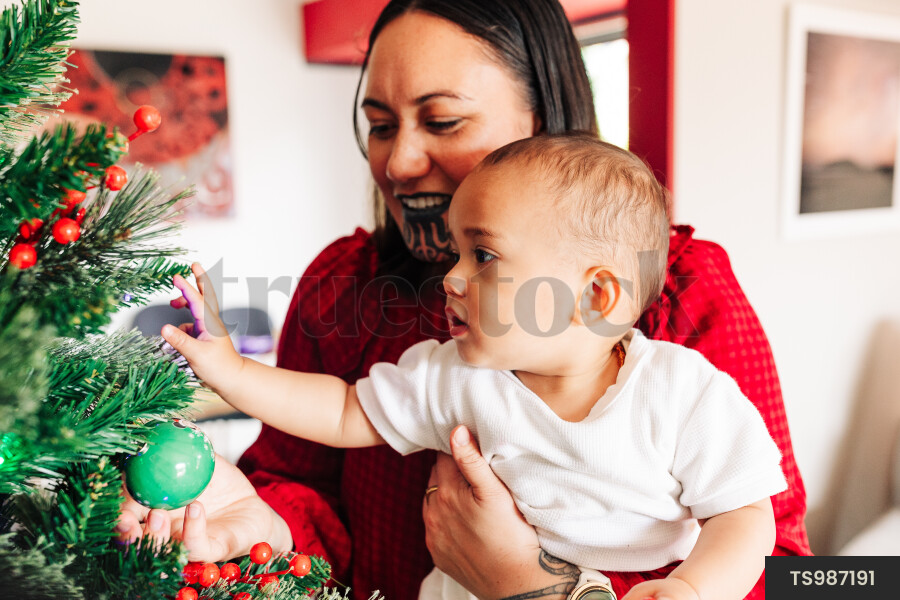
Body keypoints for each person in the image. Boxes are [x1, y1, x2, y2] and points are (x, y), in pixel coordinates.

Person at [116, 1, 811, 598]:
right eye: (381, 125)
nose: (396, 162)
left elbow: (781, 562)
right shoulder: (348, 286)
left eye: (443, 122)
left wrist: (535, 586)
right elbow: (312, 472)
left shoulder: (681, 294)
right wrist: (265, 521)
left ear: (543, 123)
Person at [161, 134, 788, 600]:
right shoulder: (456, 376)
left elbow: (746, 515)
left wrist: (696, 588)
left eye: (483, 255)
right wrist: (234, 372)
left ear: (596, 297)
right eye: (457, 253)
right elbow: (346, 409)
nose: (451, 279)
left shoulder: (681, 390)